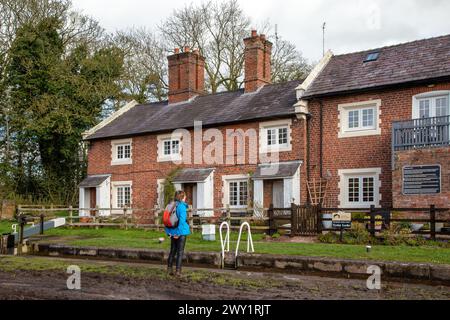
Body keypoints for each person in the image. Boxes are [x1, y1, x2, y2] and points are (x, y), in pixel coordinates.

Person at [165, 190, 191, 277]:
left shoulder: (170, 205)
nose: (186, 198)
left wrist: (169, 232)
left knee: (172, 250)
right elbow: (182, 221)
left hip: (172, 231)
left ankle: (169, 269)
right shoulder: (182, 207)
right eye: (185, 196)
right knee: (180, 252)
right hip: (181, 232)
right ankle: (178, 271)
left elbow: (166, 218)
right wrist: (179, 233)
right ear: (182, 197)